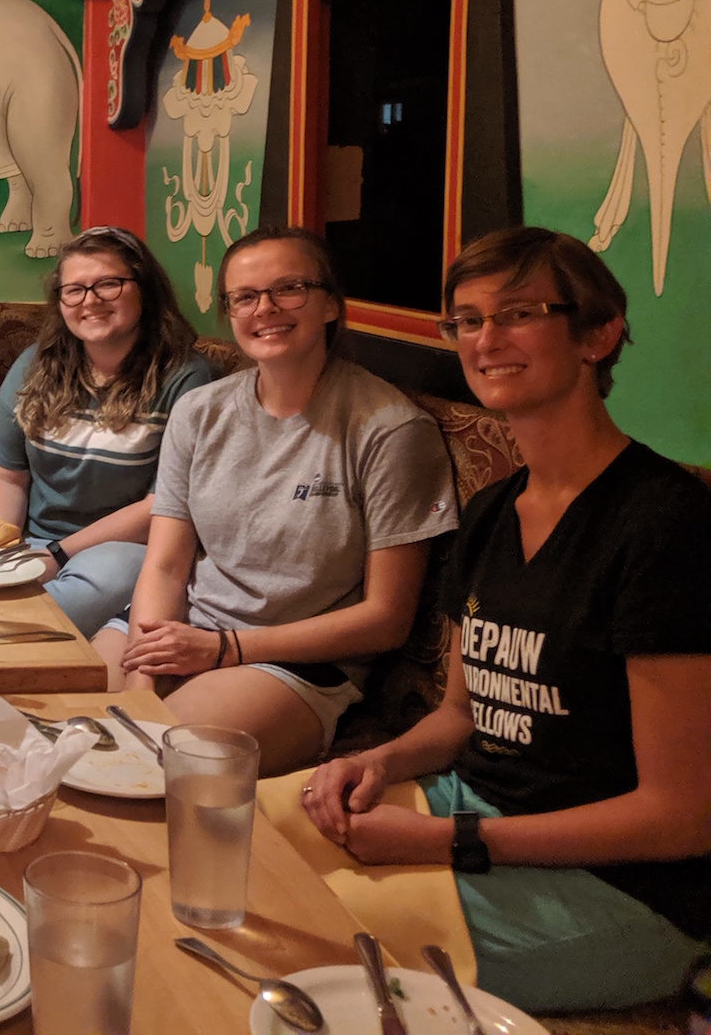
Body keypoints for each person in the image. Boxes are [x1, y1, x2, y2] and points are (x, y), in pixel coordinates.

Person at [300, 228, 710, 1011]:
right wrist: (380, 763)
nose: (486, 340)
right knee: (242, 832)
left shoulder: (665, 526)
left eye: (518, 313)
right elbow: (461, 714)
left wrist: (450, 841)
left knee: (310, 922)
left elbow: (680, 816)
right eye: (468, 320)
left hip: (627, 890)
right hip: (479, 805)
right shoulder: (492, 510)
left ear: (598, 334)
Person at [93, 226, 459, 775]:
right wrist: (143, 673)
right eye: (244, 296)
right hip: (177, 628)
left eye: (289, 289)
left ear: (331, 304)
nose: (265, 308)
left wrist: (223, 650)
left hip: (293, 661)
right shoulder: (200, 412)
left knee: (163, 764)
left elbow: (386, 620)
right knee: (70, 727)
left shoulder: (390, 430)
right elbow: (166, 564)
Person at [0, 227, 215, 635]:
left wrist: (58, 553)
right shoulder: (33, 366)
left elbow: (161, 506)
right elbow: (8, 478)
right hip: (33, 544)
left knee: (67, 600)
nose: (90, 301)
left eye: (108, 284)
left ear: (142, 289)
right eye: (73, 290)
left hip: (125, 550)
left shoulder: (185, 377)